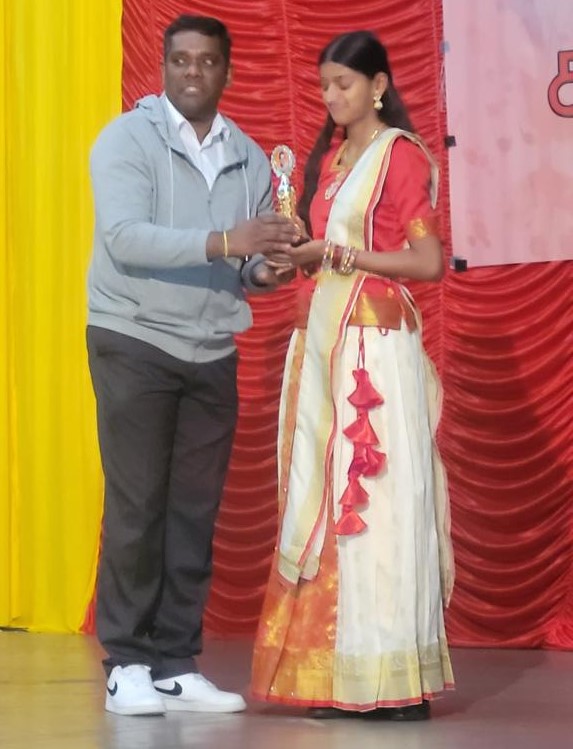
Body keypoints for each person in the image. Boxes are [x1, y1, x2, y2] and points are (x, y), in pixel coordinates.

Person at [87, 14, 297, 717]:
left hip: (211, 349)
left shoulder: (249, 156)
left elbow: (246, 265)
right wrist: (225, 241)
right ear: (163, 66)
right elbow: (125, 237)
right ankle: (126, 662)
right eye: (180, 60)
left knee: (193, 513)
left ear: (226, 72)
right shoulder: (126, 139)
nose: (192, 72)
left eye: (207, 62)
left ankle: (175, 662)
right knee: (138, 504)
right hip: (134, 339)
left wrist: (265, 268)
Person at [251, 30, 455, 720]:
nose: (332, 96)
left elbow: (427, 262)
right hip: (322, 341)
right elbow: (325, 254)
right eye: (324, 86)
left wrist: (338, 256)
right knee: (325, 501)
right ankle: (343, 677)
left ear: (378, 85)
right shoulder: (333, 158)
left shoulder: (399, 155)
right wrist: (295, 259)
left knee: (376, 502)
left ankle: (393, 679)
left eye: (344, 83)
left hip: (373, 351)